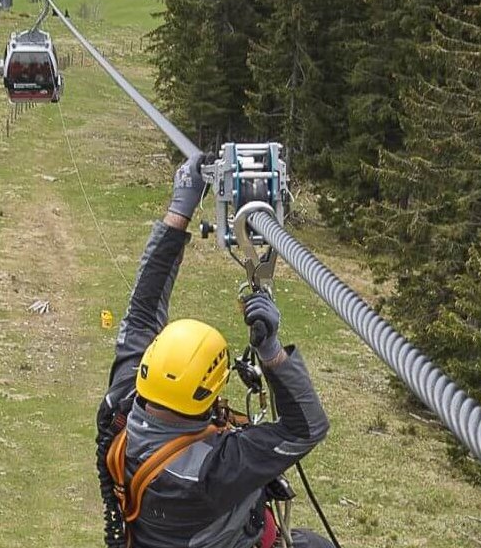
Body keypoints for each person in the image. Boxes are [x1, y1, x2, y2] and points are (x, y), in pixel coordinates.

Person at [96, 158, 333, 548]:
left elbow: (142, 311)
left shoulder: (123, 403)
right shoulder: (215, 470)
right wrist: (271, 352)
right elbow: (306, 427)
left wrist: (179, 209)